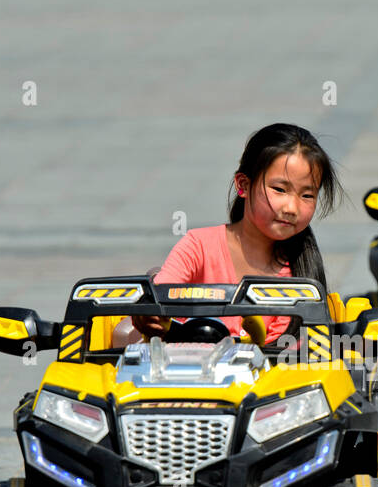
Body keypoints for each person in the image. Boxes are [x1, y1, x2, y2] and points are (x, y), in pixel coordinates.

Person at [129, 122, 341, 343]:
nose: (292, 208)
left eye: (307, 195)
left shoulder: (301, 274)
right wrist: (148, 314)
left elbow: (282, 356)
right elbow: (160, 299)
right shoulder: (199, 246)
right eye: (279, 189)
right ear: (243, 185)